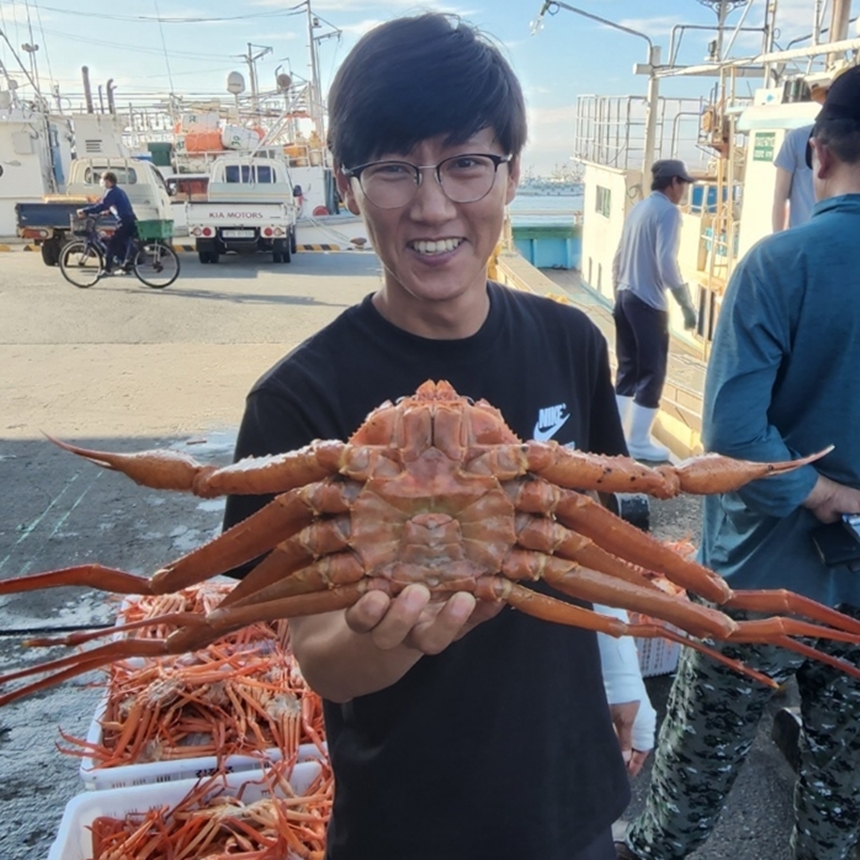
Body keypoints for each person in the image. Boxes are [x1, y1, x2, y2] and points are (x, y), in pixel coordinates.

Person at [223, 13, 635, 860]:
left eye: (466, 163)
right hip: (406, 825)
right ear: (348, 187)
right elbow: (318, 655)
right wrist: (395, 635)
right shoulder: (295, 402)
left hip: (572, 797)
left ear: (513, 172)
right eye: (393, 170)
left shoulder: (570, 341)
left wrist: (623, 676)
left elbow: (597, 541)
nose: (432, 204)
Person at [616, 65, 860, 860]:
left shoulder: (781, 264)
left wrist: (824, 492)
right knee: (841, 794)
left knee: (690, 783)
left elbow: (733, 435)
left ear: (818, 153)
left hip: (757, 580)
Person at [611, 160, 698, 462]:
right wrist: (685, 303)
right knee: (653, 371)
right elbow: (666, 262)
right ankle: (638, 442)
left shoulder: (639, 208)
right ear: (674, 182)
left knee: (627, 369)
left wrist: (618, 295)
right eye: (684, 184)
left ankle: (615, 434)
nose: (684, 190)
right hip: (648, 301)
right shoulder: (668, 212)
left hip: (624, 296)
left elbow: (618, 256)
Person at [76, 170, 137, 275]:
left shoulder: (112, 192)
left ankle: (107, 270)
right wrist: (108, 212)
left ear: (108, 181)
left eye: (102, 179)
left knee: (112, 244)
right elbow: (118, 206)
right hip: (130, 220)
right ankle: (125, 267)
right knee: (119, 244)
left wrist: (85, 211)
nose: (101, 182)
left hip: (125, 221)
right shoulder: (118, 191)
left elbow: (102, 205)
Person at [772, 123, 816, 231]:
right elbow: (780, 196)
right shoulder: (797, 138)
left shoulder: (851, 138)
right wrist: (778, 236)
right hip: (802, 233)